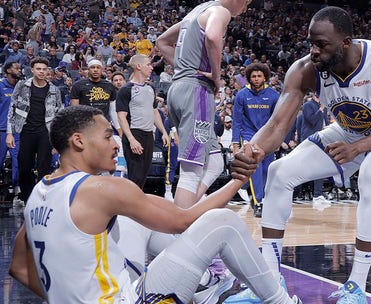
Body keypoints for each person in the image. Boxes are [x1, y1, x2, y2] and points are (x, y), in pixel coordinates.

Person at [7, 105, 329, 304]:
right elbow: (183, 220)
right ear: (78, 141)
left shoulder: (40, 192)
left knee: (137, 220)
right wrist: (237, 181)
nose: (116, 143)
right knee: (224, 222)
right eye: (108, 136)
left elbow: (19, 269)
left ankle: (203, 283)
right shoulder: (101, 190)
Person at [226, 6, 371, 304]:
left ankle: (356, 289)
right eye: (311, 43)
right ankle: (268, 281)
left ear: (346, 42)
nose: (314, 51)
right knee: (279, 171)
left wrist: (360, 147)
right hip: (348, 132)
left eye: (322, 45)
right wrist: (254, 150)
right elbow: (278, 124)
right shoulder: (305, 69)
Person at [155, 0, 250, 210]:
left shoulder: (197, 11)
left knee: (215, 161)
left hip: (178, 88)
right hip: (196, 91)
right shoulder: (220, 11)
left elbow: (161, 41)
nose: (244, 11)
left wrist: (184, 68)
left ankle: (188, 212)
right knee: (192, 171)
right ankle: (179, 230)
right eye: (246, 5)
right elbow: (213, 36)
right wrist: (217, 76)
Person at [6, 57, 64, 205]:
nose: (42, 72)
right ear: (32, 70)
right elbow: (12, 108)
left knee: (44, 167)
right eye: (38, 69)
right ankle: (27, 198)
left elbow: (59, 114)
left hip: (45, 131)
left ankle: (40, 199)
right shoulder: (22, 86)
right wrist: (9, 133)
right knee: (24, 167)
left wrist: (58, 140)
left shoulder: (54, 90)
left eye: (44, 69)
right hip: (26, 130)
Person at [231, 62, 279, 216]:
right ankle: (258, 202)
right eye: (253, 76)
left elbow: (278, 120)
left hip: (268, 137)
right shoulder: (242, 95)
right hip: (249, 137)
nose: (256, 79)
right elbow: (237, 121)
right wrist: (235, 143)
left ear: (265, 77)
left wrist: (278, 140)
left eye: (259, 76)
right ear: (249, 78)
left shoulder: (273, 95)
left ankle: (263, 198)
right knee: (256, 169)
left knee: (267, 169)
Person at [116, 54, 169, 189]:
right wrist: (131, 139)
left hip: (148, 134)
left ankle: (134, 206)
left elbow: (154, 111)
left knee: (144, 175)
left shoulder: (150, 88)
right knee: (135, 176)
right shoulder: (126, 89)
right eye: (148, 64)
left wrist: (163, 131)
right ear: (139, 66)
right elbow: (121, 117)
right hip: (134, 134)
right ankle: (129, 208)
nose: (151, 67)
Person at [0, 61, 22, 205]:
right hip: (1, 130)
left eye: (20, 68)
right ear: (7, 70)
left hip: (18, 130)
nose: (19, 70)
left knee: (18, 162)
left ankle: (17, 192)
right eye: (16, 67)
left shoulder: (22, 86)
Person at [70, 59, 120, 133]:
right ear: (88, 69)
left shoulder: (109, 85)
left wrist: (119, 128)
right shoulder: (78, 85)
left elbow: (113, 110)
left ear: (102, 69)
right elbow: (74, 110)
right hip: (85, 125)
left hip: (104, 124)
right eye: (93, 67)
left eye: (98, 67)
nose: (95, 70)